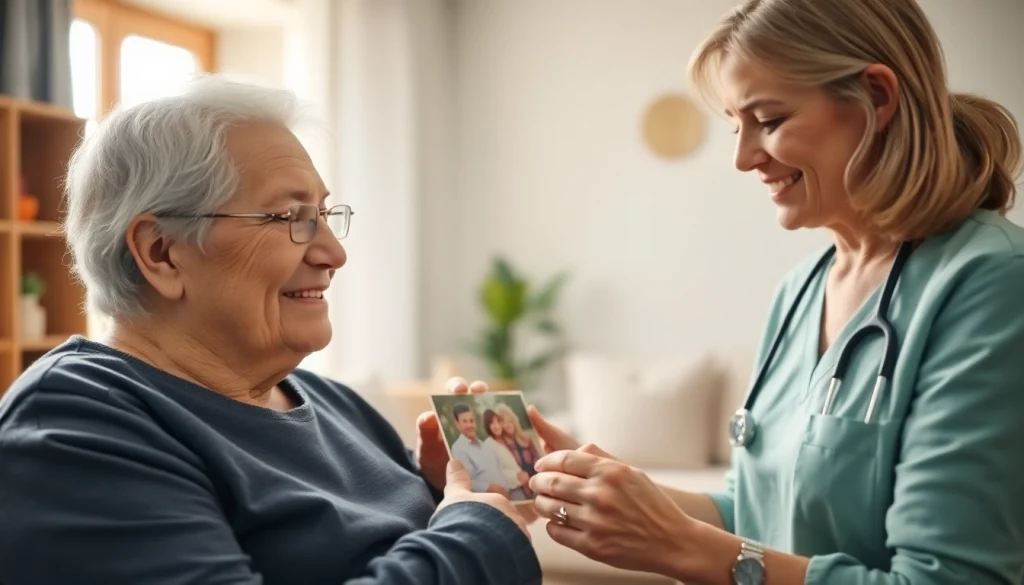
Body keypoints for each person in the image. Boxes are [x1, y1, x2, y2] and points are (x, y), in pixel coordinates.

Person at [455, 1, 1024, 584]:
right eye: (737, 126)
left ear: (877, 97)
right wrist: (608, 483)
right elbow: (753, 513)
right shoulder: (801, 289)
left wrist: (678, 547)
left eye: (770, 120)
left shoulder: (990, 283)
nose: (743, 157)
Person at [0, 76, 541, 585]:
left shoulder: (333, 404)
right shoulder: (75, 428)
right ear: (161, 252)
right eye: (290, 217)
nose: (334, 253)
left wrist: (443, 488)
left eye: (325, 215)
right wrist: (476, 534)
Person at [448, 403, 516, 497]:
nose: (470, 425)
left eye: (471, 421)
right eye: (465, 421)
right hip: (492, 500)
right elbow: (468, 481)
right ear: (457, 425)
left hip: (508, 494)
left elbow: (498, 470)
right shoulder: (458, 448)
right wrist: (495, 489)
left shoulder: (483, 444)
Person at [482, 408, 533, 500]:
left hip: (526, 484)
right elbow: (494, 474)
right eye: (492, 423)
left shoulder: (506, 439)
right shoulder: (488, 445)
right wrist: (517, 477)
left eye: (498, 421)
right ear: (487, 426)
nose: (497, 426)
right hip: (511, 489)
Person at [494, 403, 542, 478]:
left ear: (514, 420)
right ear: (499, 425)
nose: (508, 424)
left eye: (510, 420)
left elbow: (538, 459)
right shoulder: (501, 445)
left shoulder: (526, 439)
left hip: (537, 478)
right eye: (503, 422)